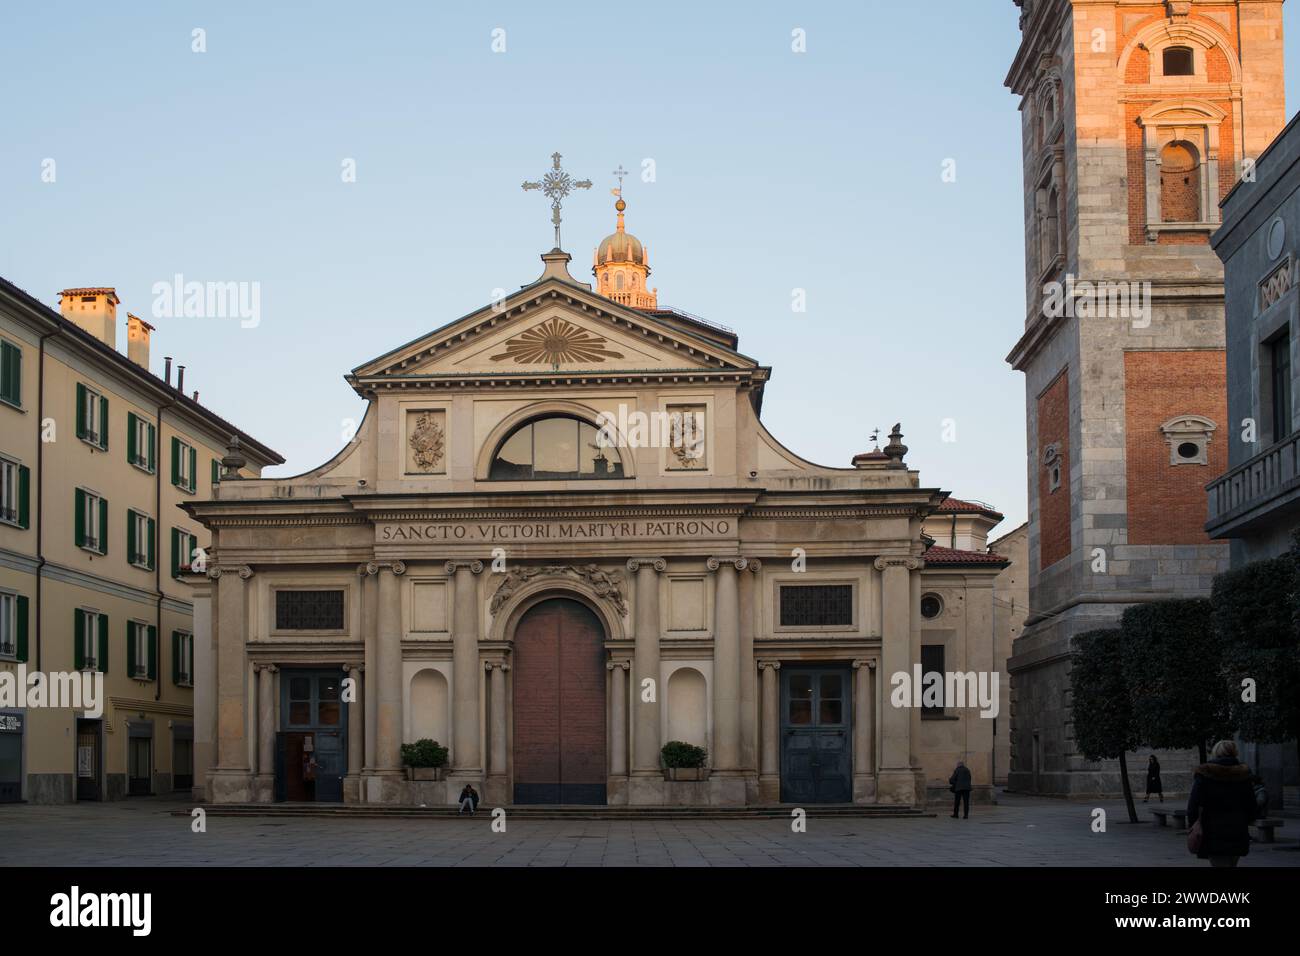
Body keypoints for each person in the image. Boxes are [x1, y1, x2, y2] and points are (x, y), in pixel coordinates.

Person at [1186, 740, 1258, 867]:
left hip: (1213, 831)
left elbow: (1193, 804)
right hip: (1237, 830)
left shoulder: (1205, 773)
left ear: (1215, 753)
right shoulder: (1243, 774)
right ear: (1234, 752)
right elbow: (1252, 805)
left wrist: (1194, 824)